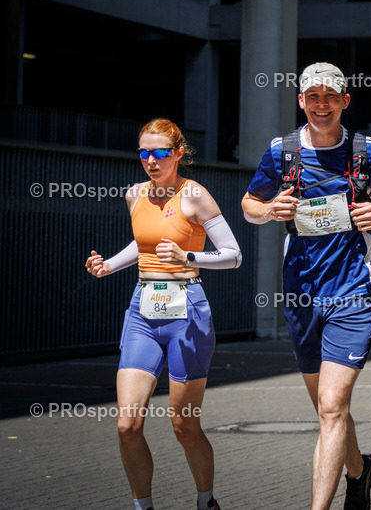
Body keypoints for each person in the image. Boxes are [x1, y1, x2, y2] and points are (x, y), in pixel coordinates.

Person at [241, 62, 371, 510]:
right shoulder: (283, 152)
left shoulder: (366, 152)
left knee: (333, 406)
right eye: (312, 96)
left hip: (352, 289)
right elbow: (248, 206)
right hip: (300, 293)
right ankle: (359, 470)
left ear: (344, 101)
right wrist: (269, 208)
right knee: (328, 409)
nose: (321, 104)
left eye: (329, 97)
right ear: (300, 100)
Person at [85, 118, 242, 510]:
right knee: (127, 424)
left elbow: (234, 255)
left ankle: (206, 502)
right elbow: (144, 244)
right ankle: (143, 506)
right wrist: (110, 265)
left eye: (159, 152)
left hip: (186, 311)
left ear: (177, 153)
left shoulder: (195, 196)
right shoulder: (134, 194)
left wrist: (189, 255)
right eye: (144, 153)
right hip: (142, 310)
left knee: (184, 425)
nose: (151, 160)